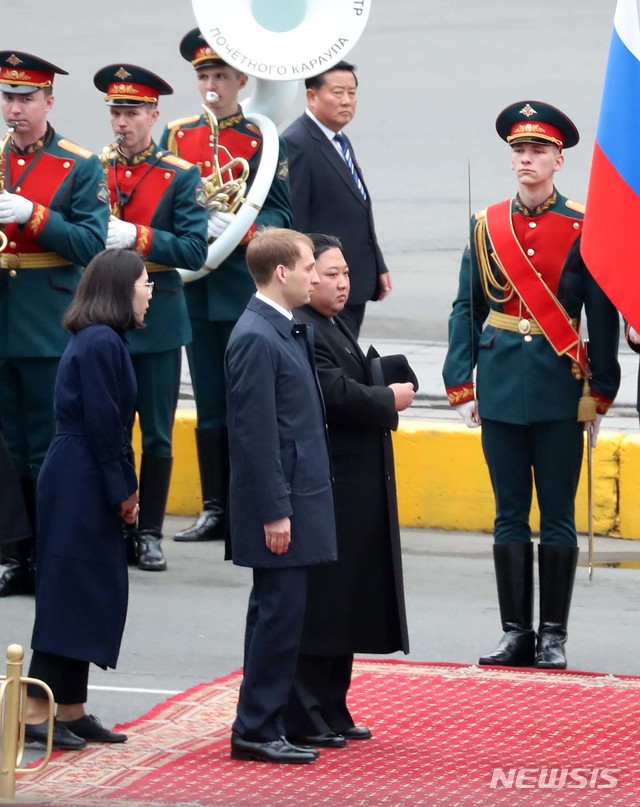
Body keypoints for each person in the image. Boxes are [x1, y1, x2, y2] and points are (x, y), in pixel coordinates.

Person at [442, 101, 621, 671]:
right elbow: (467, 306)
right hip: (499, 381)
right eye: (519, 151)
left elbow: (602, 317)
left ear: (558, 159)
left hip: (559, 384)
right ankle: (515, 631)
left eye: (537, 151)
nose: (526, 160)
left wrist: (601, 390)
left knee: (559, 516)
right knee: (509, 514)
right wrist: (460, 382)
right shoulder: (488, 224)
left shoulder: (582, 225)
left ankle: (553, 635)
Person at [160, 29, 292, 544]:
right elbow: (165, 198)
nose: (211, 85)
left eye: (220, 75)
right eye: (203, 76)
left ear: (241, 79)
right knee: (210, 399)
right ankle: (216, 507)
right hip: (195, 285)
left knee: (251, 401)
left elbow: (281, 210)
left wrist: (240, 226)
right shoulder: (177, 135)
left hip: (242, 283)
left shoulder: (262, 136)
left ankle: (251, 505)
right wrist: (196, 225)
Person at [283, 233, 413, 747]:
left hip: (354, 485)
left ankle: (333, 707)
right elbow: (332, 393)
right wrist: (387, 398)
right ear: (305, 274)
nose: (340, 284)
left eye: (345, 274)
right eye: (329, 274)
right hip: (328, 485)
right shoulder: (302, 328)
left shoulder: (332, 323)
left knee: (346, 603)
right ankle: (306, 712)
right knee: (323, 606)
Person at [23, 249, 146, 750]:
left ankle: (69, 709)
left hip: (84, 468)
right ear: (119, 289)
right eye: (143, 284)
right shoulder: (99, 342)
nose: (149, 291)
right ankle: (33, 712)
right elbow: (103, 421)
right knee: (70, 590)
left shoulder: (103, 339)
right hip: (82, 473)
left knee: (88, 589)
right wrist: (125, 488)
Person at [225, 228, 337, 764]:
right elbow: (255, 435)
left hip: (298, 499)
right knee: (277, 616)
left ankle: (263, 720)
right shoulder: (256, 336)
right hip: (281, 507)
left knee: (280, 616)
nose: (316, 275)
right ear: (281, 273)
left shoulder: (284, 329)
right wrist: (275, 511)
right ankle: (255, 728)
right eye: (310, 265)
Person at [0, 51, 109, 597]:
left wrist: (33, 215)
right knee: (6, 446)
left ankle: (48, 554)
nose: (14, 109)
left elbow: (91, 243)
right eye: (7, 98)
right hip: (2, 318)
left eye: (25, 99)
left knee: (46, 447)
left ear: (48, 101)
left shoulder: (78, 163)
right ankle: (11, 554)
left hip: (45, 318)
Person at [93, 64, 208, 572]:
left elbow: (193, 248)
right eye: (117, 112)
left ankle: (149, 531)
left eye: (132, 112)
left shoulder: (180, 174)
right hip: (105, 314)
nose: (123, 122)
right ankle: (114, 524)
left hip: (158, 317)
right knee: (110, 428)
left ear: (153, 114)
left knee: (156, 431)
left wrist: (135, 238)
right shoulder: (94, 167)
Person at [282, 60, 390, 338]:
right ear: (311, 96)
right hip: (323, 287)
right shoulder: (298, 143)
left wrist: (377, 265)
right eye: (337, 92)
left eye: (352, 93)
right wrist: (308, 279)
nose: (346, 101)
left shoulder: (337, 139)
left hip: (351, 279)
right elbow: (296, 222)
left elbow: (358, 207)